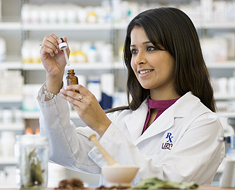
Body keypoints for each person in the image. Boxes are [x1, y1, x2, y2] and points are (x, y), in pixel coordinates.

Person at [38, 7, 225, 186]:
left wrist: (103, 126)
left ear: (180, 51)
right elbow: (62, 151)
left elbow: (166, 185)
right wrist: (54, 77)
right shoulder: (124, 119)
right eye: (134, 51)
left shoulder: (203, 124)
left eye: (150, 48)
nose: (138, 60)